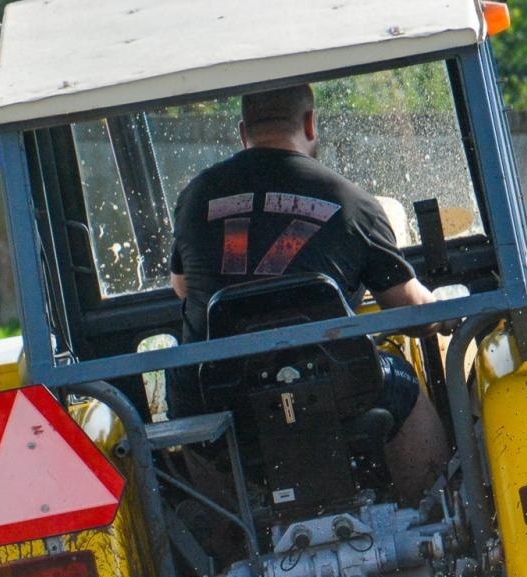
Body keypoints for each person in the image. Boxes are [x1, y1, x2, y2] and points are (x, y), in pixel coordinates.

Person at [167, 83, 447, 500]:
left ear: (243, 133)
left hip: (221, 399)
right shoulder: (352, 202)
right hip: (335, 394)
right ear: (311, 123)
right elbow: (409, 309)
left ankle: (233, 541)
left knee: (186, 401)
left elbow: (183, 287)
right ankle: (432, 506)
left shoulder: (195, 197)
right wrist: (444, 311)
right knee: (400, 380)